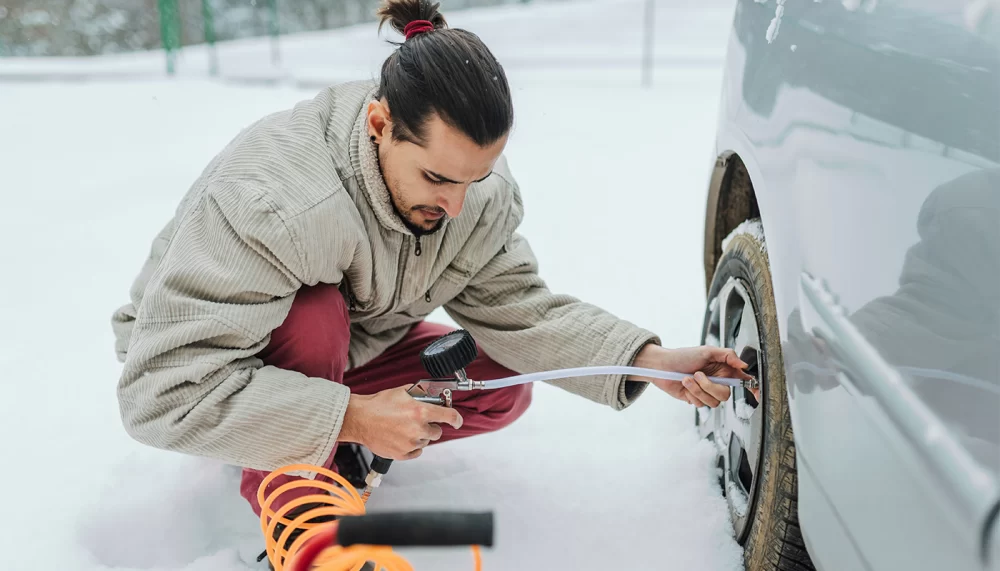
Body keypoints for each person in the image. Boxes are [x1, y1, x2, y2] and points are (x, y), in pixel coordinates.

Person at [110, 0, 750, 545]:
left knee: (498, 378)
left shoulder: (469, 198)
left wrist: (648, 358)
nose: (454, 206)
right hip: (213, 360)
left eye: (474, 178)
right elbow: (160, 390)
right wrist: (352, 415)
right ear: (380, 123)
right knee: (315, 314)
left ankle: (324, 439)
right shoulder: (277, 202)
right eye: (438, 178)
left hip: (345, 353)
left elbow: (522, 313)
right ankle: (296, 506)